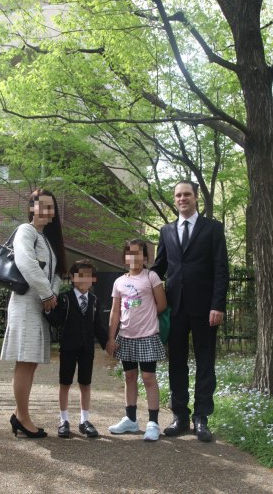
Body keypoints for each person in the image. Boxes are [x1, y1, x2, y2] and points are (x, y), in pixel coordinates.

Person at [151, 180, 229, 442]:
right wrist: (135, 280)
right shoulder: (166, 231)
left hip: (206, 308)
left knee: (205, 362)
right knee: (177, 363)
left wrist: (218, 304)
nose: (182, 198)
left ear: (196, 198)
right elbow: (159, 268)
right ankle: (180, 416)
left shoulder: (213, 229)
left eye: (187, 194)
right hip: (175, 308)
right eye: (178, 195)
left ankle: (201, 418)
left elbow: (221, 269)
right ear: (174, 200)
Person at [0, 188, 66, 438]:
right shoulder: (25, 231)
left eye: (51, 207)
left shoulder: (47, 239)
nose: (47, 211)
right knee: (25, 363)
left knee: (30, 363)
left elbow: (57, 274)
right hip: (27, 303)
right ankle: (22, 417)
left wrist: (53, 293)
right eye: (42, 205)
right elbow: (25, 262)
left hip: (40, 304)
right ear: (32, 207)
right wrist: (47, 294)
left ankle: (20, 414)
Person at [107, 239, 167, 441]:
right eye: (130, 253)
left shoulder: (152, 277)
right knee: (129, 377)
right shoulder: (119, 282)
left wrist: (146, 318)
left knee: (149, 378)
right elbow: (115, 311)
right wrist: (111, 338)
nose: (135, 257)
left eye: (139, 253)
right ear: (125, 257)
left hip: (147, 336)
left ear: (145, 257)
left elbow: (161, 304)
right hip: (125, 337)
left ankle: (153, 423)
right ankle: (131, 420)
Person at [46, 259, 108, 438]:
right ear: (73, 278)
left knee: (85, 383)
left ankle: (84, 420)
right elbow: (56, 320)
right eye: (81, 276)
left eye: (89, 276)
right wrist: (48, 309)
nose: (84, 279)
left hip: (87, 348)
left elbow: (98, 326)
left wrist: (108, 344)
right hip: (68, 346)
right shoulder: (65, 298)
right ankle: (63, 420)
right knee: (65, 383)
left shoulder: (94, 300)